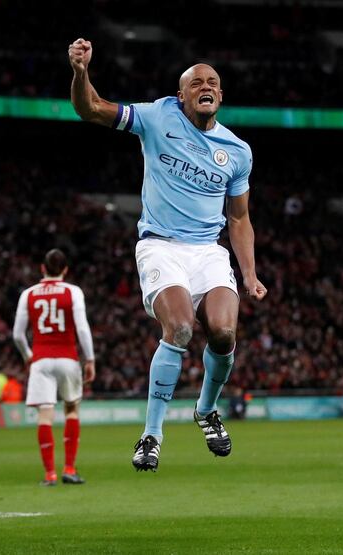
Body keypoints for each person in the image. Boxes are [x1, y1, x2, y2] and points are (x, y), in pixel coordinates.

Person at [68, 39, 267, 472]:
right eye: (196, 82)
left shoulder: (237, 152)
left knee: (224, 334)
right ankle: (152, 435)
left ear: (221, 95)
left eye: (213, 81)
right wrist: (81, 72)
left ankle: (206, 410)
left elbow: (239, 218)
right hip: (160, 244)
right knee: (179, 328)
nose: (206, 85)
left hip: (208, 251)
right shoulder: (159, 116)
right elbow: (92, 109)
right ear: (183, 95)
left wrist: (249, 273)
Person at [13, 249, 95, 486]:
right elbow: (81, 328)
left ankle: (49, 474)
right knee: (71, 410)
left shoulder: (28, 294)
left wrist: (29, 356)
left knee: (45, 416)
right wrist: (89, 359)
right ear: (65, 270)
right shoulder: (73, 292)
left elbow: (18, 335)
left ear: (42, 268)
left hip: (41, 360)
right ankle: (69, 468)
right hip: (68, 358)